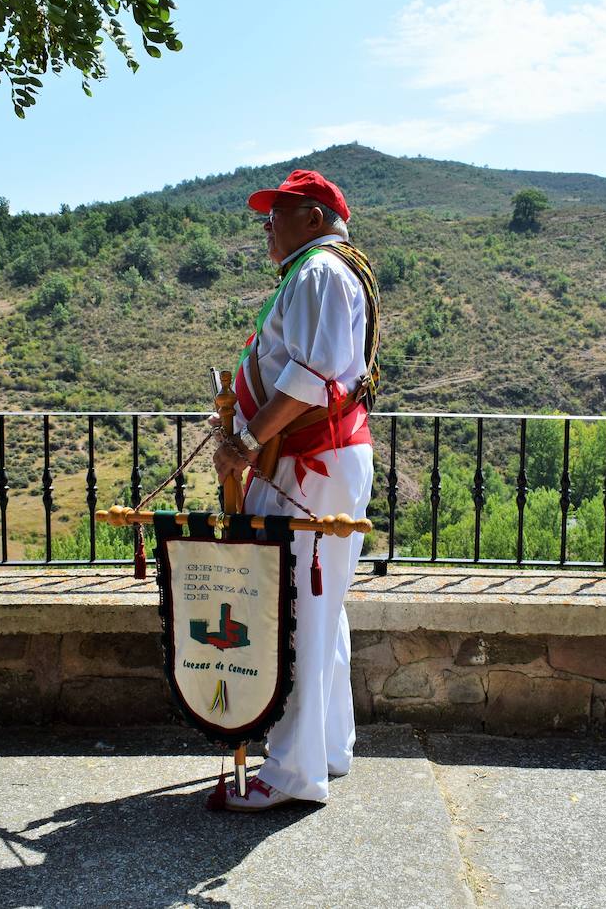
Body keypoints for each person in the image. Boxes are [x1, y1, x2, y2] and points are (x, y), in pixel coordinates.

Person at [211, 170, 379, 812]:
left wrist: (248, 441)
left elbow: (311, 378)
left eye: (276, 214)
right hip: (322, 460)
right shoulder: (330, 270)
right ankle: (326, 750)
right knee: (320, 609)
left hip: (306, 463)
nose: (266, 226)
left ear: (311, 217)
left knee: (293, 612)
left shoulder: (318, 271)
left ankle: (290, 774)